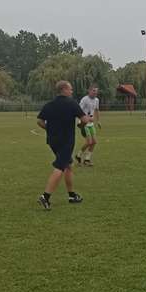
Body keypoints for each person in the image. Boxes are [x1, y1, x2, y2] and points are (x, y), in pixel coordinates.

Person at [36, 80, 86, 210]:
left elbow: (39, 121)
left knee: (68, 165)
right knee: (60, 167)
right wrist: (81, 126)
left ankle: (72, 195)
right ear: (64, 89)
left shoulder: (49, 105)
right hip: (66, 141)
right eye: (70, 89)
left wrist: (48, 129)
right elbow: (84, 119)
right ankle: (45, 197)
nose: (72, 91)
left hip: (52, 141)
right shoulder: (72, 103)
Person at [76, 85, 101, 166]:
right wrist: (86, 118)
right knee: (89, 142)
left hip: (91, 124)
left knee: (94, 142)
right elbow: (78, 110)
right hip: (83, 123)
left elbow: (96, 110)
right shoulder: (84, 99)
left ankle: (87, 159)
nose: (95, 92)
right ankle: (78, 155)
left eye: (96, 91)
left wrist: (98, 121)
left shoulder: (96, 100)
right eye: (93, 90)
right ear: (89, 91)